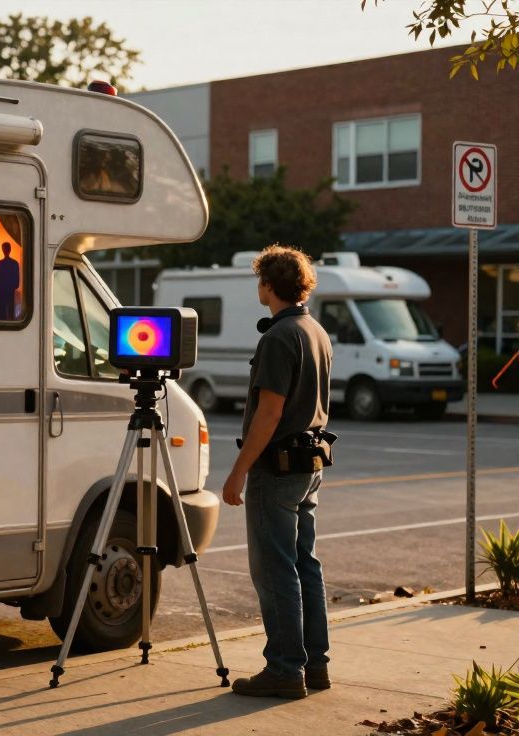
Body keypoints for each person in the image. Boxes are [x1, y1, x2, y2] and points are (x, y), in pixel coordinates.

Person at [223, 244, 333, 700]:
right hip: (309, 465)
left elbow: (269, 413)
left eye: (260, 281)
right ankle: (316, 664)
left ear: (269, 285)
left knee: (275, 570)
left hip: (277, 467)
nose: (258, 288)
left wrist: (238, 473)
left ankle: (286, 670)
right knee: (304, 564)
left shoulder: (278, 337)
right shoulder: (316, 330)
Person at [0, 242, 20, 320]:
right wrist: (15, 285)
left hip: (2, 289)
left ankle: (2, 324)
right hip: (9, 289)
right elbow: (16, 277)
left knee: (2, 309)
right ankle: (11, 323)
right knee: (10, 307)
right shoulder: (14, 263)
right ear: (10, 250)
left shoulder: (0, 263)